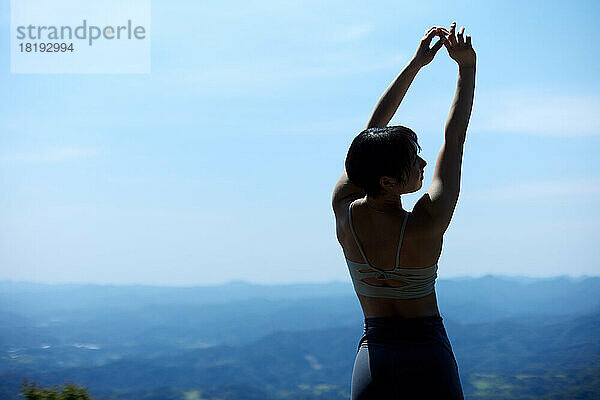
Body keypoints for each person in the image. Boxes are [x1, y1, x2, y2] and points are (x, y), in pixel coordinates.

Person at [331, 21, 476, 399]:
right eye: (414, 162)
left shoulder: (343, 210)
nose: (423, 164)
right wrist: (466, 68)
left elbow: (368, 136)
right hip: (428, 354)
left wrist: (416, 65)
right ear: (388, 182)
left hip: (374, 359)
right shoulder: (427, 223)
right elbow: (454, 139)